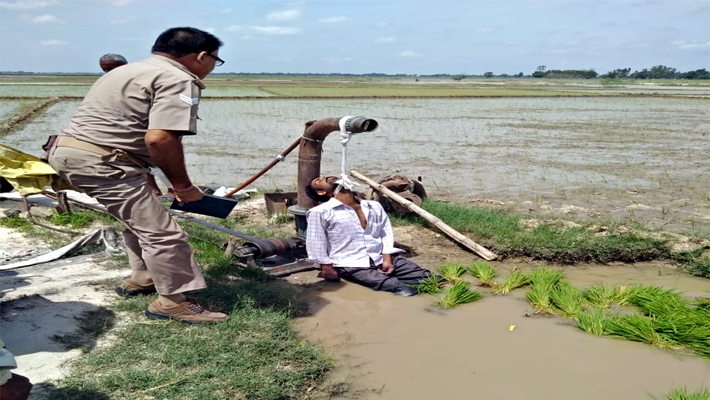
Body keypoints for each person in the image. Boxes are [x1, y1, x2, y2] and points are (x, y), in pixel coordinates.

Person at [48, 27, 228, 323]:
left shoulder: (127, 71)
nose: (212, 68)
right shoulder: (178, 78)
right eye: (215, 61)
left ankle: (143, 276)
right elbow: (159, 139)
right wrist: (183, 186)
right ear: (201, 56)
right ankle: (172, 302)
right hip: (105, 162)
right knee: (164, 233)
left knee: (139, 219)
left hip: (73, 154)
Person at [305, 176, 434, 296]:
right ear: (321, 192)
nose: (324, 177)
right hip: (351, 264)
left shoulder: (373, 206)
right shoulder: (320, 212)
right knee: (397, 287)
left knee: (429, 277)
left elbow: (385, 233)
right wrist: (327, 268)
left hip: (379, 257)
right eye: (318, 180)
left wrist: (387, 258)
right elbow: (316, 241)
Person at [98, 53, 165, 196]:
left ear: (124, 66)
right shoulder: (105, 83)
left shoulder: (139, 80)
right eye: (105, 69)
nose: (108, 72)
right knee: (135, 162)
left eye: (112, 68)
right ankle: (153, 191)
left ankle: (172, 190)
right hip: (119, 127)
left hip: (143, 125)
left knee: (157, 160)